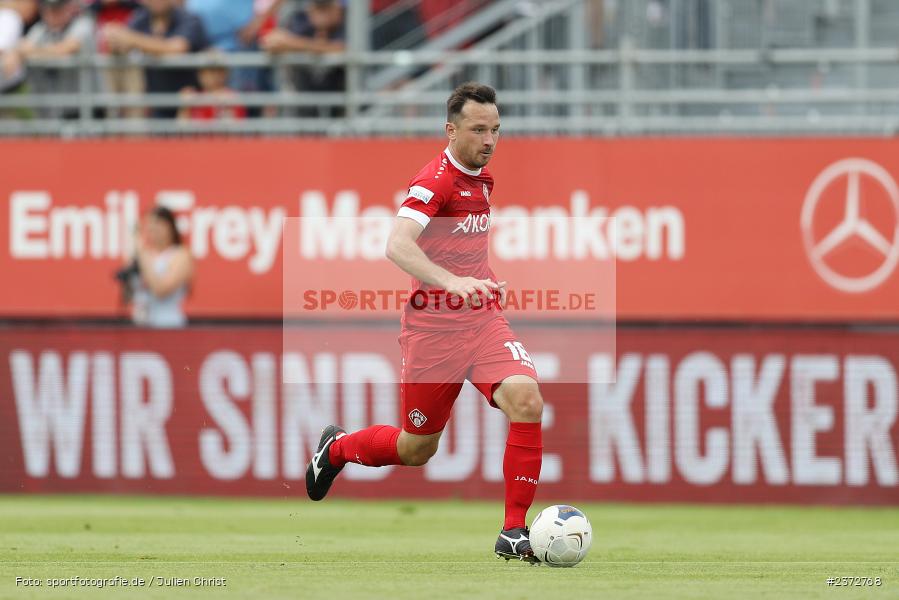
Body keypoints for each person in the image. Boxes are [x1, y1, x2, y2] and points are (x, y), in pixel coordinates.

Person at [305, 83, 545, 563]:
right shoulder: (435, 181)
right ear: (450, 130)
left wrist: (481, 281)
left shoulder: (483, 179)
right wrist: (451, 282)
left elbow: (462, 249)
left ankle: (513, 531)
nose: (489, 140)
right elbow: (397, 244)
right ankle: (337, 449)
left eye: (496, 130)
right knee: (417, 449)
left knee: (527, 398)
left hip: (482, 322)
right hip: (433, 334)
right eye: (478, 130)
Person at [103, 0, 208, 118]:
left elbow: (177, 48)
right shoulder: (140, 18)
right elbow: (121, 43)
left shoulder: (189, 19)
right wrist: (115, 37)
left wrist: (132, 39)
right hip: (154, 106)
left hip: (192, 107)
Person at [1, 0, 92, 118]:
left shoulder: (82, 24)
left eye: (57, 9)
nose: (51, 14)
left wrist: (30, 52)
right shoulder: (41, 29)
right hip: (54, 111)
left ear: (68, 7)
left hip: (85, 109)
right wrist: (15, 53)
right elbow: (23, 46)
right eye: (47, 9)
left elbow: (65, 49)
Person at [260, 0, 344, 117]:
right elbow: (271, 43)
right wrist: (314, 45)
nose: (323, 16)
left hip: (339, 107)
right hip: (303, 104)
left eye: (326, 9)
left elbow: (344, 48)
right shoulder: (301, 20)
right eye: (319, 10)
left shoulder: (347, 22)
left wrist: (293, 44)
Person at [128, 206, 194, 328]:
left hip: (169, 325)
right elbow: (129, 295)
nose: (153, 230)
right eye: (149, 225)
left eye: (157, 224)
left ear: (170, 227)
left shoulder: (180, 255)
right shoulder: (146, 255)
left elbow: (161, 290)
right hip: (142, 324)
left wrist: (142, 255)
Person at [177, 51, 246, 121]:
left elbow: (236, 126)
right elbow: (180, 126)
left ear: (225, 73)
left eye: (217, 70)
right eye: (204, 71)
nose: (211, 75)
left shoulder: (232, 98)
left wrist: (224, 110)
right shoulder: (193, 97)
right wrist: (184, 108)